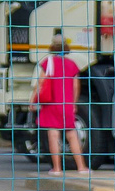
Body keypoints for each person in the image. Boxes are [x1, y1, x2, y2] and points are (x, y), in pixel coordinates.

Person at [36, 31, 87, 175]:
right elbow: (76, 86)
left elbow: (41, 82)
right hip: (66, 104)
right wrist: (73, 102)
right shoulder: (72, 64)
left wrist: (34, 99)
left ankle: (57, 168)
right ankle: (81, 167)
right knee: (72, 135)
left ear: (52, 47)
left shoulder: (48, 63)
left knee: (53, 136)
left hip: (51, 104)